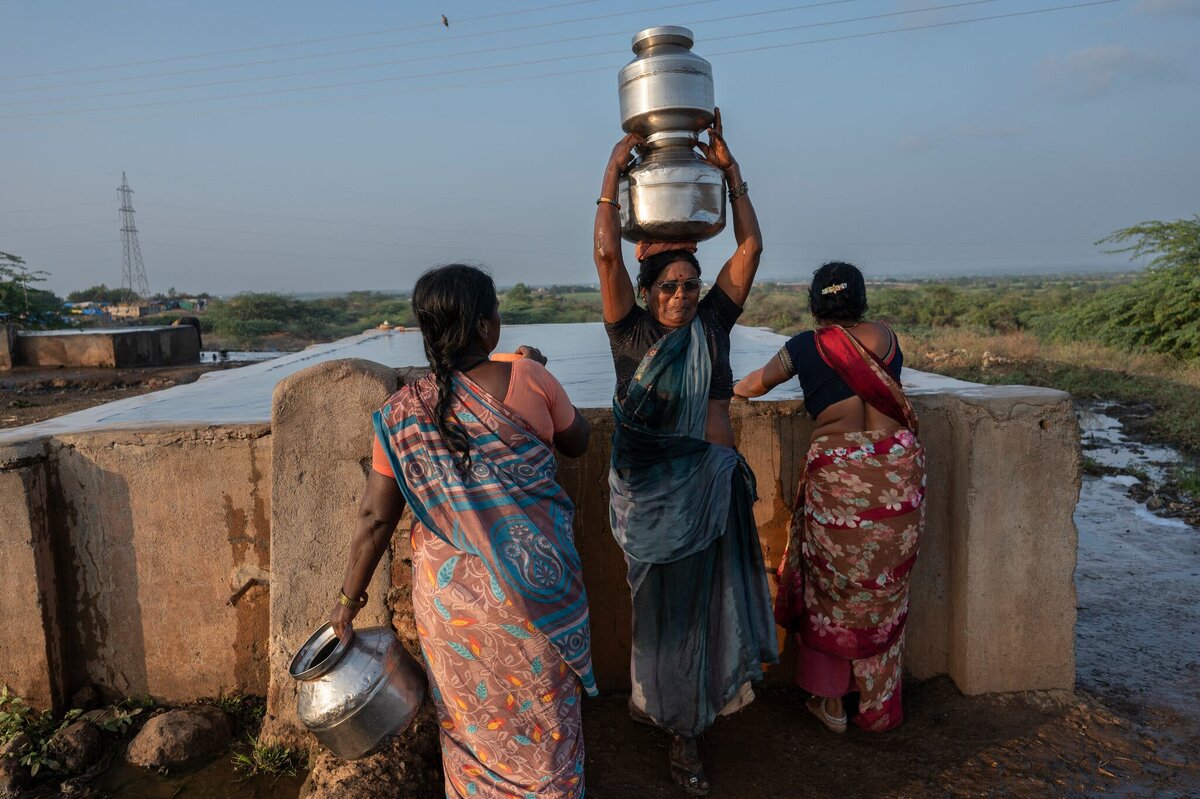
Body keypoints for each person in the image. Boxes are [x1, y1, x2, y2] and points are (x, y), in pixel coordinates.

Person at [328, 264, 596, 799]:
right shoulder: (530, 378)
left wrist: (346, 603)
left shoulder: (400, 414)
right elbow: (578, 442)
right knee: (547, 728)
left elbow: (375, 520)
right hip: (536, 596)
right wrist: (530, 372)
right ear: (486, 327)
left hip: (453, 611)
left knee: (471, 729)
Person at [593, 109, 778, 796]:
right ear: (646, 295)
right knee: (661, 619)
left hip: (711, 497)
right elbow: (608, 254)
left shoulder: (713, 324)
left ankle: (686, 733)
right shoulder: (630, 337)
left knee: (704, 615)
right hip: (651, 504)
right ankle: (668, 714)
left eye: (689, 285)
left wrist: (731, 174)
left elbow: (752, 248)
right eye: (667, 286)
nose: (679, 295)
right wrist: (613, 173)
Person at [733, 261, 926, 734]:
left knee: (828, 587)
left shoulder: (804, 346)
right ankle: (877, 704)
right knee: (884, 586)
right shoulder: (887, 336)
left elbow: (755, 385)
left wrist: (730, 389)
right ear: (861, 299)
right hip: (897, 472)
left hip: (840, 474)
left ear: (815, 304)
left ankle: (832, 705)